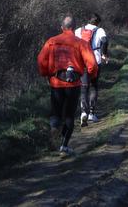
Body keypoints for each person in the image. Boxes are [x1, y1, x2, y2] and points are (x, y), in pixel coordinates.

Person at [37, 16, 98, 155]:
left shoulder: (51, 41)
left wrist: (46, 73)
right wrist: (91, 75)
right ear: (74, 28)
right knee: (70, 115)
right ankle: (64, 146)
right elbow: (92, 64)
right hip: (74, 83)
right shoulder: (81, 43)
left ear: (61, 27)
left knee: (56, 111)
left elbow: (41, 60)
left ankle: (54, 128)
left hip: (56, 82)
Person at [75, 13, 108, 126]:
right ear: (98, 22)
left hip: (82, 62)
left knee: (84, 87)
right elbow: (105, 41)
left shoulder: (79, 30)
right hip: (95, 61)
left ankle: (83, 112)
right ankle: (92, 114)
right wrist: (104, 54)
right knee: (94, 86)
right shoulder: (100, 30)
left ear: (88, 21)